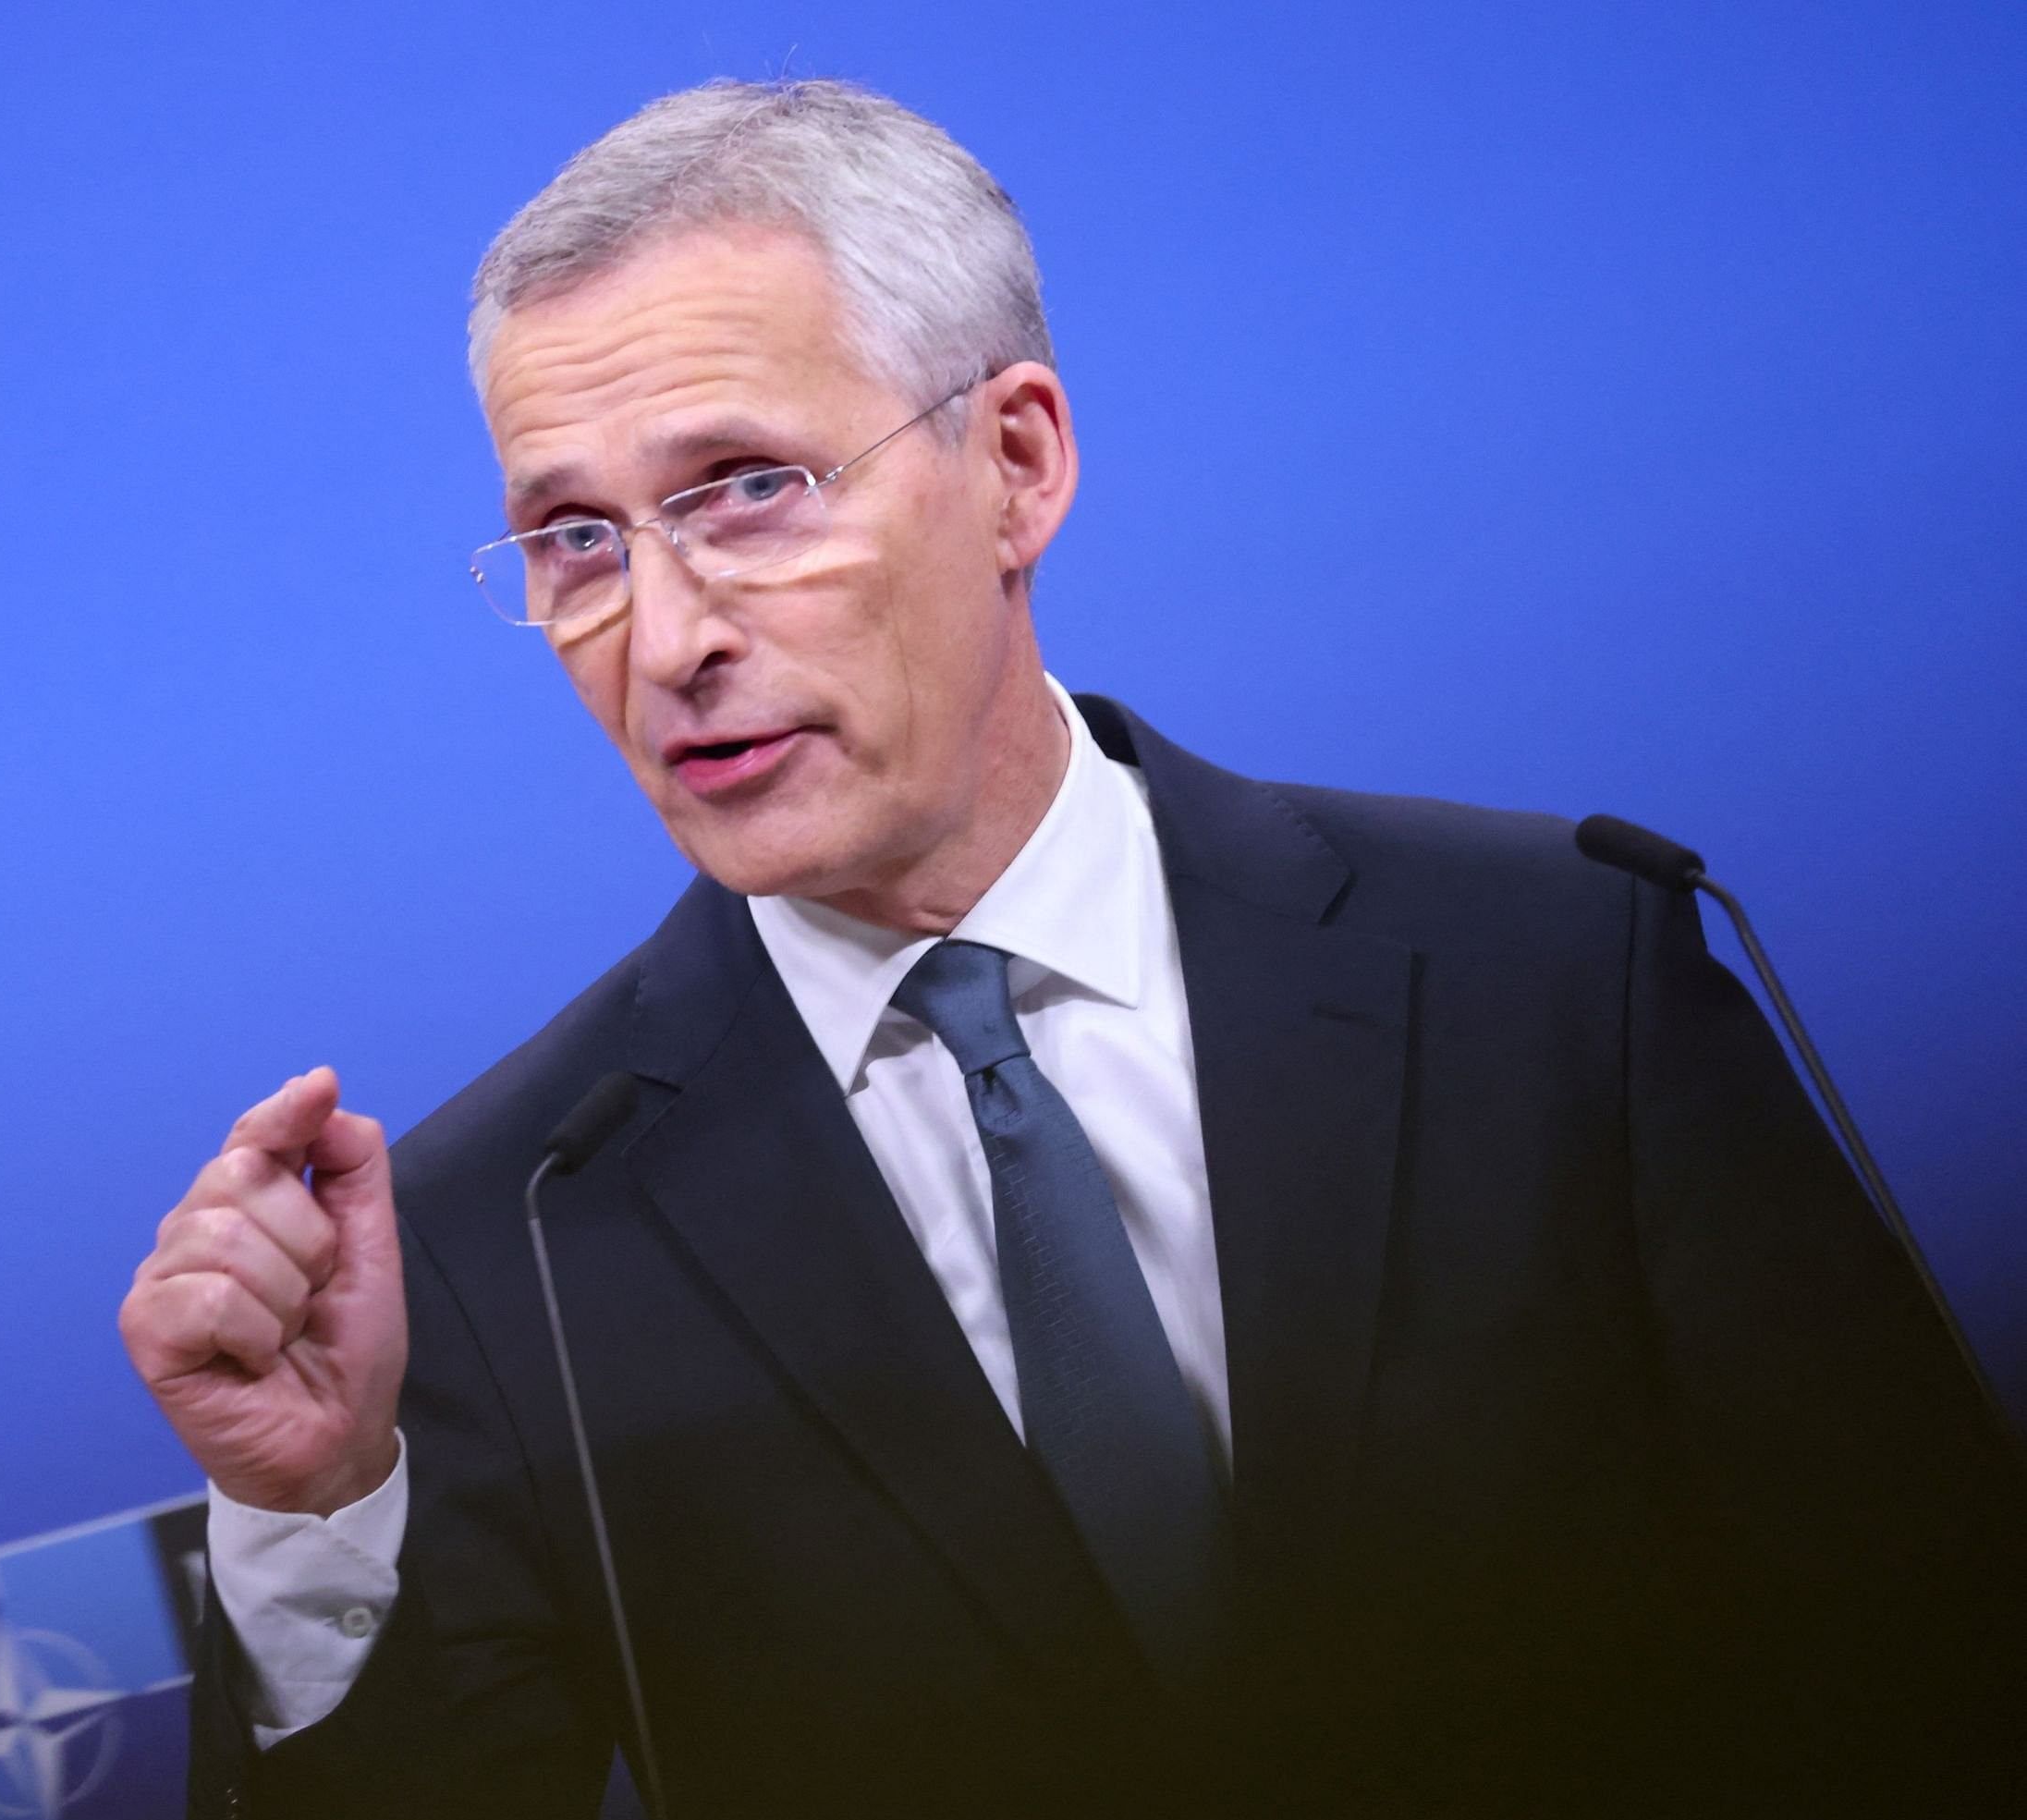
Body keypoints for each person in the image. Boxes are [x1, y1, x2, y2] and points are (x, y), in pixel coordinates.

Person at [115, 79, 2023, 1816]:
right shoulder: (490, 1229)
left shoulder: (1556, 970)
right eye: (577, 541)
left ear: (1015, 464)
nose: (666, 631)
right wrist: (310, 1525)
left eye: (744, 491)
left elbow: (1923, 1664)